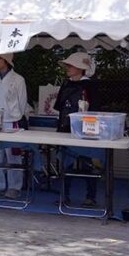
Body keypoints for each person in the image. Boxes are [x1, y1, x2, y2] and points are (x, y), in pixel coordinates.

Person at [54, 52, 101, 207]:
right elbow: (59, 106)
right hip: (65, 128)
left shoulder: (91, 85)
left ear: (81, 68)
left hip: (85, 131)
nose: (67, 68)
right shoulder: (66, 84)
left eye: (71, 65)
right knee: (65, 163)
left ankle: (91, 196)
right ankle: (64, 195)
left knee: (87, 163)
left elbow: (95, 109)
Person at [0, 52, 29, 199]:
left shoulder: (18, 79)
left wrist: (15, 114)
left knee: (13, 156)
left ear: (6, 60)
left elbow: (22, 102)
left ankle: (14, 187)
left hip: (13, 121)